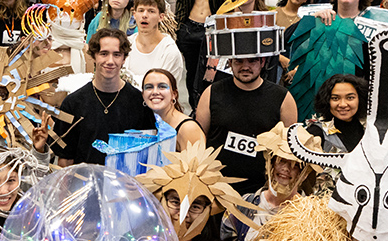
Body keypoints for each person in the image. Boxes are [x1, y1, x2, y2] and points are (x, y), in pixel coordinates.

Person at [196, 49, 298, 194]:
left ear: (262, 62)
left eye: (252, 61)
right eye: (238, 61)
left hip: (261, 192)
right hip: (215, 187)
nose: (245, 66)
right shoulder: (212, 93)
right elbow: (198, 139)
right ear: (230, 62)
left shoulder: (282, 98)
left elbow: (289, 151)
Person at [54, 28, 156, 166]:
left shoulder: (140, 103)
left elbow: (147, 156)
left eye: (116, 54)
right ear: (94, 56)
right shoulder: (73, 104)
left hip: (126, 184)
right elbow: (65, 159)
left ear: (124, 59)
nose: (110, 61)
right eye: (104, 54)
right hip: (84, 183)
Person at [125, 0, 188, 112]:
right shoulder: (126, 45)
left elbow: (162, 92)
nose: (144, 15)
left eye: (151, 11)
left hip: (159, 112)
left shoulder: (169, 50)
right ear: (134, 14)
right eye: (141, 10)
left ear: (161, 17)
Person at [305, 73, 367, 153]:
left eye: (350, 98)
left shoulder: (371, 128)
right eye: (335, 98)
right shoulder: (315, 133)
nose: (343, 104)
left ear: (360, 99)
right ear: (327, 101)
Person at [143, 68, 203, 150]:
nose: (155, 92)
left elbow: (197, 163)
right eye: (149, 87)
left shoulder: (188, 128)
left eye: (162, 87)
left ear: (174, 94)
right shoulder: (145, 123)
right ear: (143, 95)